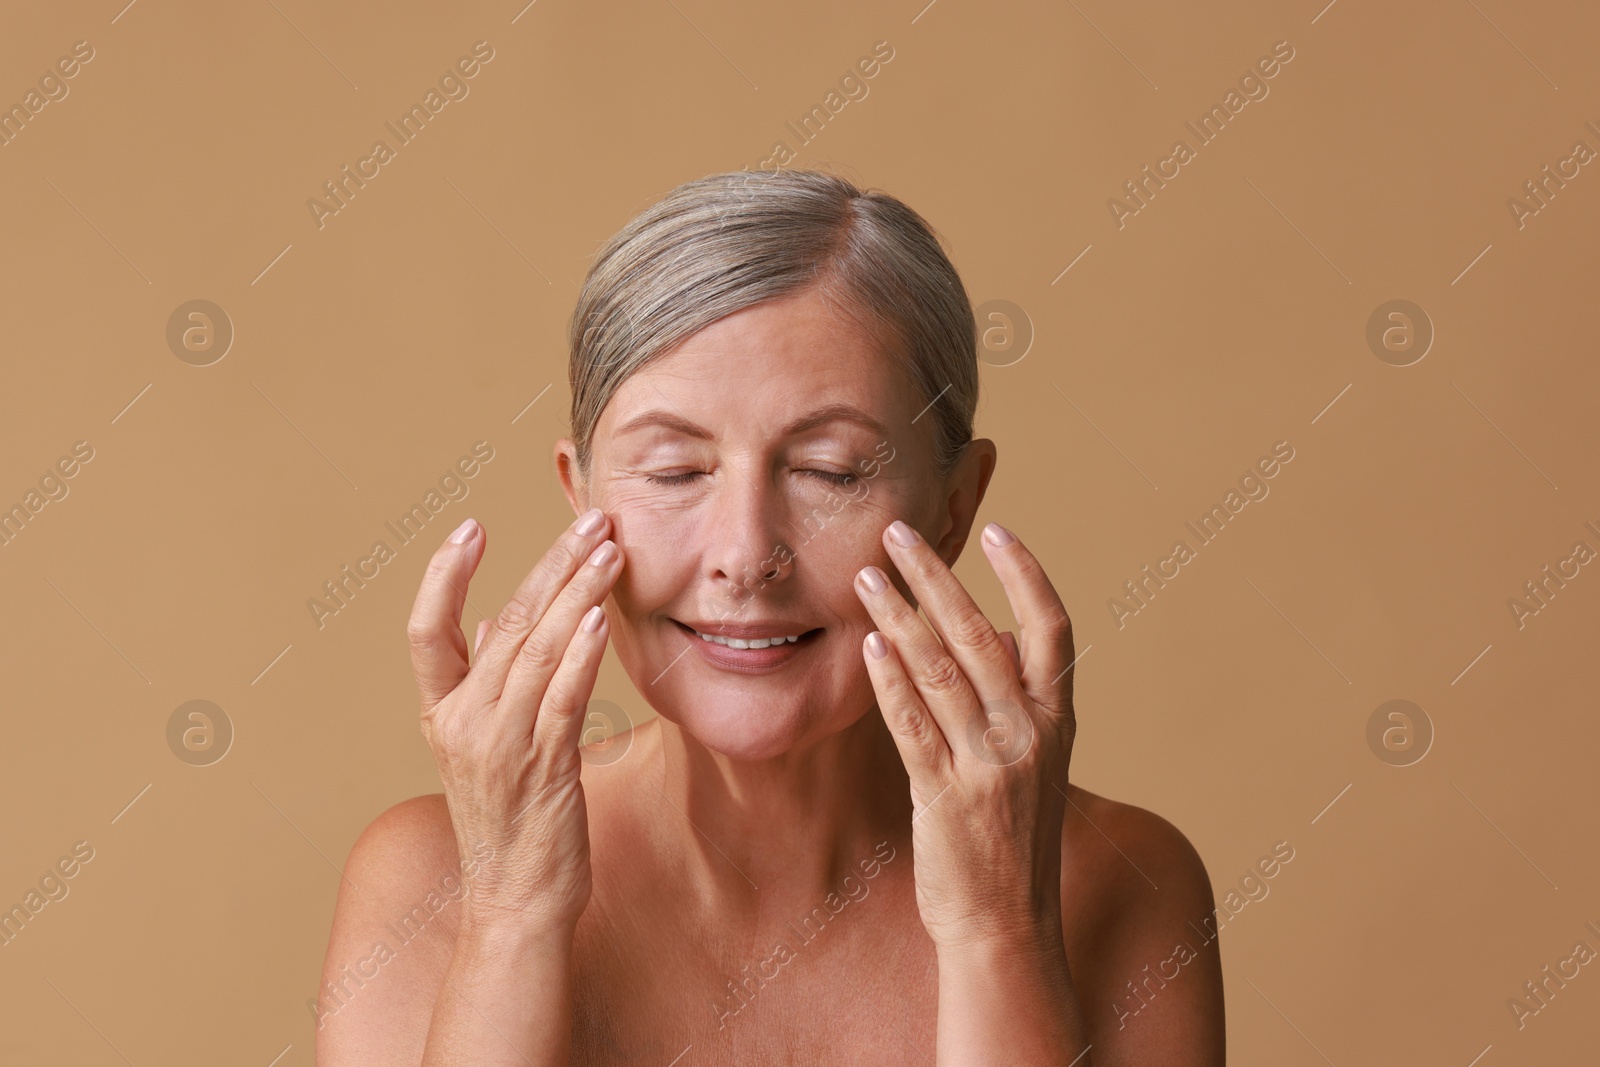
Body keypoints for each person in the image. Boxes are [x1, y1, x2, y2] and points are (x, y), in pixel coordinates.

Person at [315, 169, 1225, 1065]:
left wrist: (1001, 925)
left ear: (953, 509)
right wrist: (510, 912)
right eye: (674, 472)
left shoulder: (1121, 884)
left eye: (831, 472)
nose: (747, 554)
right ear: (579, 495)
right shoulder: (428, 882)